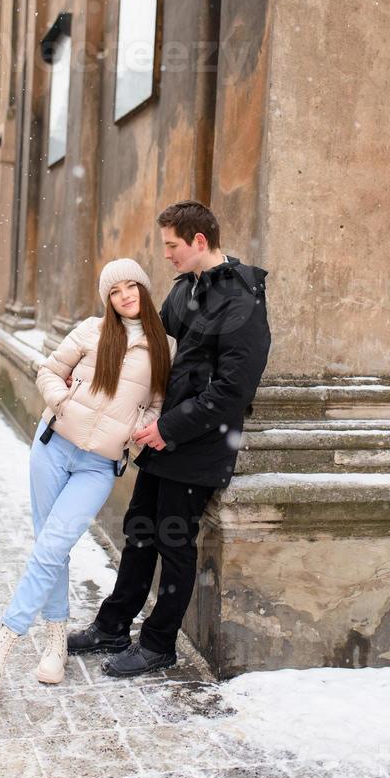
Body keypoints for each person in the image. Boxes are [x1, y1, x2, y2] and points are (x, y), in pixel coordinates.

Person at [68, 201, 271, 677]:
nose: (167, 256)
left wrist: (168, 427)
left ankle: (159, 644)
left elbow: (233, 390)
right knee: (140, 531)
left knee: (174, 542)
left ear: (200, 241)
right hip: (160, 441)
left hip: (198, 445)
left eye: (172, 246)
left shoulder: (243, 301)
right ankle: (115, 624)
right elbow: (155, 345)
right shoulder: (185, 290)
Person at [0, 259, 176, 706]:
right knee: (52, 545)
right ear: (108, 298)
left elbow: (157, 406)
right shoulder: (91, 330)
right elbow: (47, 369)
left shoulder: (166, 348)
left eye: (131, 286)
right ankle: (55, 640)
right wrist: (61, 399)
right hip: (54, 446)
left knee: (53, 543)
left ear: (143, 287)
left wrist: (133, 437)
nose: (125, 296)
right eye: (116, 290)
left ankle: (0, 649)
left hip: (98, 466)